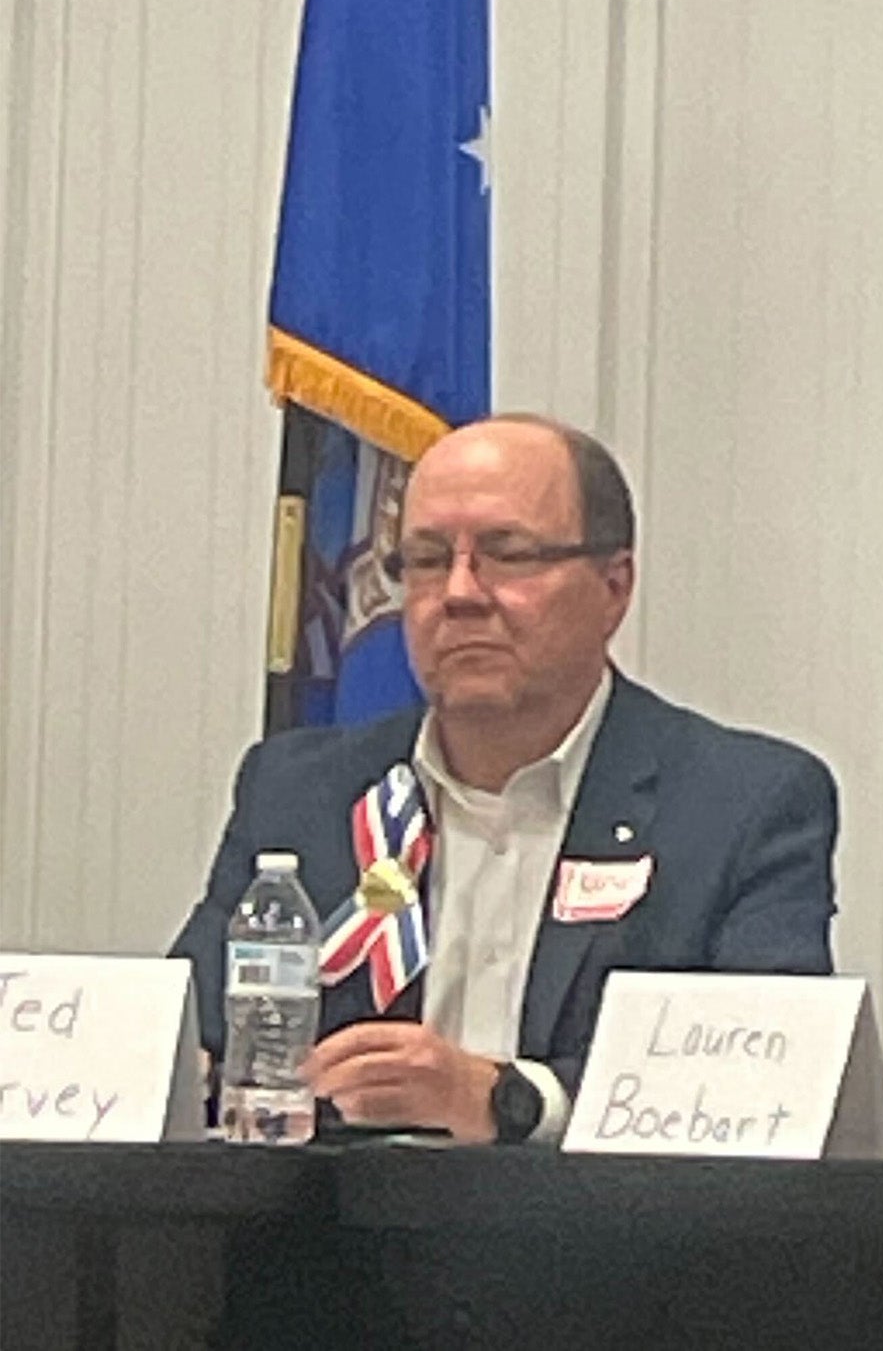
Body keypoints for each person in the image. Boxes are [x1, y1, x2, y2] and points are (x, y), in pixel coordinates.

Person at [172, 413, 837, 1145]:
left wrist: (504, 1098)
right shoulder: (299, 792)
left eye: (506, 555)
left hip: (617, 1247)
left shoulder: (742, 805)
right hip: (335, 1245)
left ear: (614, 586)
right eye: (426, 559)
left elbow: (762, 1090)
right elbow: (185, 1045)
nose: (458, 593)